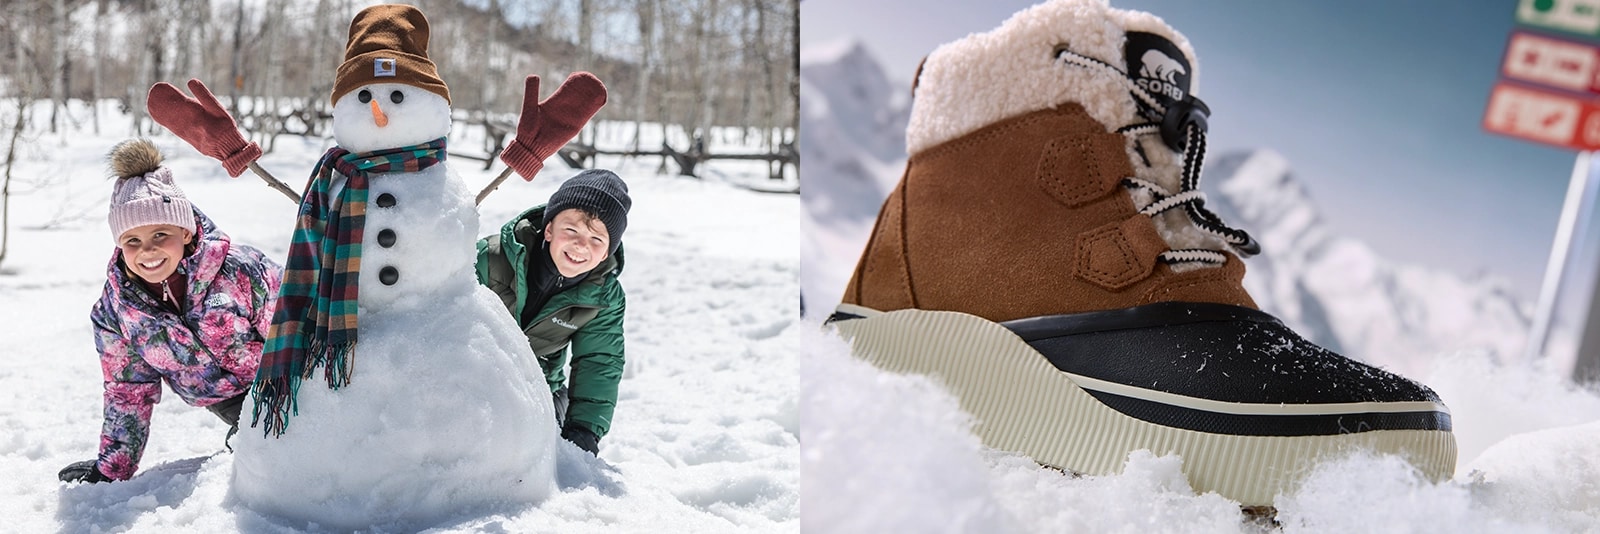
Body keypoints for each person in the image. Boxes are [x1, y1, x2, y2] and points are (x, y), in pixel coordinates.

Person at [57, 139, 283, 484]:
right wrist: (111, 470)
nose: (147, 251)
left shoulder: (239, 271)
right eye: (132, 240)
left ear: (185, 231)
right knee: (257, 444)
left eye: (160, 234)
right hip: (229, 401)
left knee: (285, 447)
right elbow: (127, 389)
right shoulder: (117, 311)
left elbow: (296, 333)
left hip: (286, 383)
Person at [476, 169, 629, 456]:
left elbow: (599, 360)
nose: (581, 245)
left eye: (597, 240)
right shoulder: (490, 258)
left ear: (608, 251)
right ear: (549, 229)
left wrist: (583, 429)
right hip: (473, 375)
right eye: (571, 230)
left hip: (539, 389)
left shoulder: (603, 297)